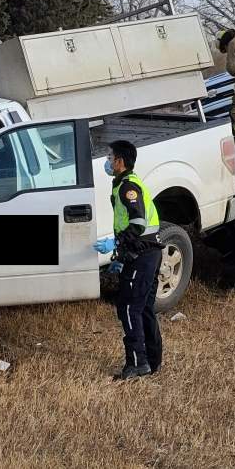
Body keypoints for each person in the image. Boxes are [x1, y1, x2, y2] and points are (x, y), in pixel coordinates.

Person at [93, 140, 163, 381]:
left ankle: (137, 364)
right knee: (143, 309)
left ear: (120, 161)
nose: (107, 161)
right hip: (146, 253)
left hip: (143, 255)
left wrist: (116, 244)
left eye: (110, 157)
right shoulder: (125, 184)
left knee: (129, 309)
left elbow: (138, 223)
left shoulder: (128, 187)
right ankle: (152, 362)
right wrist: (121, 258)